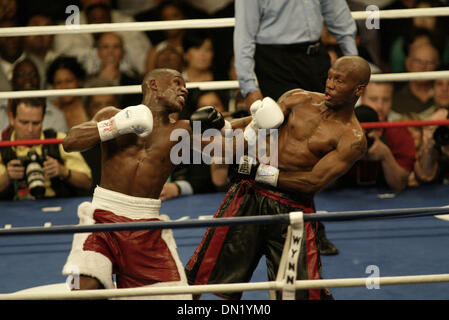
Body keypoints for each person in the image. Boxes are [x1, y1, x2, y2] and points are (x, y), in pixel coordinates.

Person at [61, 68, 261, 295]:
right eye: (176, 83)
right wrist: (116, 126)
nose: (183, 89)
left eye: (184, 85)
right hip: (100, 218)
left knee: (179, 297)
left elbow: (228, 149)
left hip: (147, 226)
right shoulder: (112, 115)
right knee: (81, 287)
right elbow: (70, 141)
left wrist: (257, 123)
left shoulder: (182, 131)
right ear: (153, 85)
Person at [185, 56, 371, 300]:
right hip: (249, 198)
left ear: (358, 89)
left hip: (293, 210)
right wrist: (224, 126)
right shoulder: (297, 98)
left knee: (303, 295)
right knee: (202, 275)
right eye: (329, 76)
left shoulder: (353, 138)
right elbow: (257, 122)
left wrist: (257, 172)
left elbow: (313, 181)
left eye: (339, 80)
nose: (330, 84)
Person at [234, 0, 358, 109]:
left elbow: (337, 13)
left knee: (325, 121)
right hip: (275, 63)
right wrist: (249, 87)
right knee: (286, 126)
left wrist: (354, 64)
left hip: (316, 56)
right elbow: (244, 34)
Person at [0, 97, 92, 200]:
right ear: (12, 118)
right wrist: (7, 177)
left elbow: (87, 182)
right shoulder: (2, 146)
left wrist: (63, 171)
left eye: (36, 123)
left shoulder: (58, 140)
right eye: (24, 122)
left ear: (43, 119)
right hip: (13, 208)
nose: (30, 129)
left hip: (55, 204)